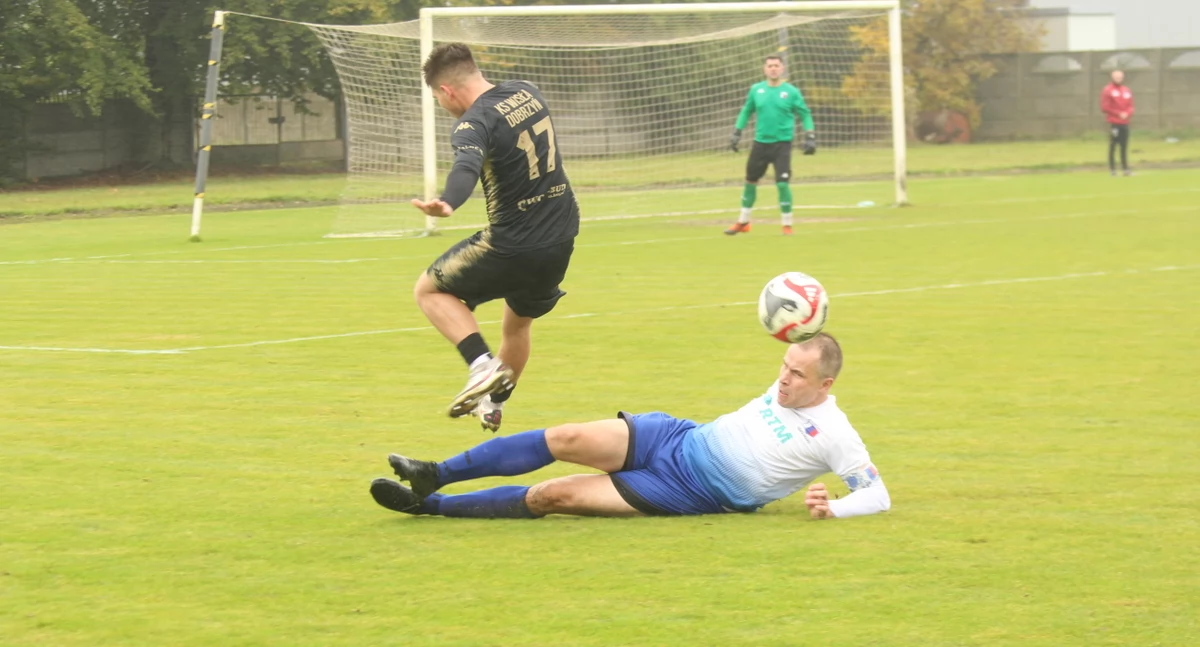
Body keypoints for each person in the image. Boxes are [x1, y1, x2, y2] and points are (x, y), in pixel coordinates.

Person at [370, 333, 890, 520]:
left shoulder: (837, 432)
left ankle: (428, 506)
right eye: (783, 367)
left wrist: (836, 510)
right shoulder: (786, 384)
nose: (783, 380)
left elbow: (877, 495)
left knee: (553, 496)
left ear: (825, 386)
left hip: (688, 491)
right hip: (677, 436)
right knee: (565, 438)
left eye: (797, 376)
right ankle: (434, 472)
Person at [410, 43, 581, 432]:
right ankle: (493, 403)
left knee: (429, 291)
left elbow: (465, 167)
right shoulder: (526, 91)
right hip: (561, 235)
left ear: (447, 91)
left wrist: (447, 202)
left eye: (439, 98)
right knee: (517, 327)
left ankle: (481, 365)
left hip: (514, 243)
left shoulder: (473, 122)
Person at [725, 55, 816, 237]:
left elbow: (805, 114)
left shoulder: (791, 92)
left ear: (782, 69)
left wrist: (810, 135)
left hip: (782, 145)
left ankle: (787, 225)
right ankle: (743, 222)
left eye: (776, 65)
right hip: (760, 144)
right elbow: (746, 111)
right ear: (764, 69)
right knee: (750, 181)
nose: (773, 69)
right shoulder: (756, 90)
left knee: (782, 184)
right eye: (769, 66)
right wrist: (737, 132)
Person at [1100, 69, 1135, 177]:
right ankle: (1112, 169)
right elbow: (1105, 107)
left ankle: (1125, 169)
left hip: (1125, 122)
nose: (1118, 79)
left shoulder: (1126, 90)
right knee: (1113, 146)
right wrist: (1118, 113)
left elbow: (1131, 106)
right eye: (1116, 77)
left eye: (1120, 77)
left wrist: (1127, 113)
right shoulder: (1107, 90)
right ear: (1112, 77)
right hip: (1114, 123)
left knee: (1124, 146)